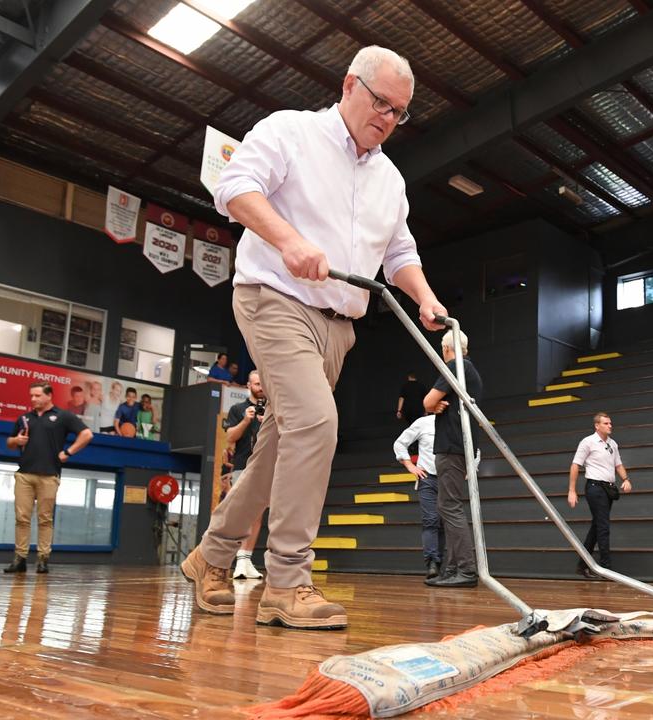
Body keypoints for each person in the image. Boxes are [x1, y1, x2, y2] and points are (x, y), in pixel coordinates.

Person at [181, 45, 445, 631]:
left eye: (399, 112)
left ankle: (212, 556)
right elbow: (235, 186)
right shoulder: (290, 132)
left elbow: (400, 252)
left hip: (339, 327)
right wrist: (288, 239)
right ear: (348, 84)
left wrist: (423, 296)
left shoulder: (390, 179)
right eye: (380, 102)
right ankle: (286, 582)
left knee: (282, 444)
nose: (387, 118)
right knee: (317, 425)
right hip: (274, 298)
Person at [4, 383, 94, 574]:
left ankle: (43, 559)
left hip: (49, 475)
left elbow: (87, 434)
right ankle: (19, 558)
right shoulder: (24, 418)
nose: (33, 399)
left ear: (49, 396)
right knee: (22, 518)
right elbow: (9, 442)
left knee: (45, 519)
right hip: (25, 475)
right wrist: (16, 441)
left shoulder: (63, 416)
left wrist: (68, 452)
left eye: (37, 395)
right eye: (31, 396)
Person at [423, 329, 482, 588]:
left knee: (450, 506)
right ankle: (453, 568)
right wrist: (435, 405)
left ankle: (466, 570)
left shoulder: (456, 365)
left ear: (446, 348)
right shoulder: (468, 369)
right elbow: (433, 404)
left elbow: (427, 401)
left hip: (451, 446)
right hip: (458, 445)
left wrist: (432, 405)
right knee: (447, 506)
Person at [567, 412, 632, 579]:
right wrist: (572, 490)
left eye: (610, 423)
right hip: (595, 487)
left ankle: (582, 565)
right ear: (597, 425)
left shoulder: (613, 444)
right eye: (606, 423)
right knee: (603, 527)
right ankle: (606, 568)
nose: (610, 425)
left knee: (597, 527)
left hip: (608, 488)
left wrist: (626, 479)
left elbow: (618, 464)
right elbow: (575, 465)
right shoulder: (588, 442)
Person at [222, 370, 266, 579]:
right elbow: (230, 437)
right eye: (257, 384)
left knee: (257, 515)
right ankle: (237, 558)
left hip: (265, 465)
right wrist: (246, 421)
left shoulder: (271, 411)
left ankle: (246, 559)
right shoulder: (237, 409)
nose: (260, 387)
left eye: (262, 384)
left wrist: (266, 421)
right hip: (242, 465)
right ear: (249, 385)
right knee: (241, 512)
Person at [393, 413, 442, 579]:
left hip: (449, 479)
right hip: (427, 478)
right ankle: (432, 564)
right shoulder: (424, 422)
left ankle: (448, 564)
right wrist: (409, 465)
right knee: (431, 520)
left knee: (448, 522)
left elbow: (475, 450)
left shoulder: (458, 423)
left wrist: (467, 471)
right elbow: (400, 443)